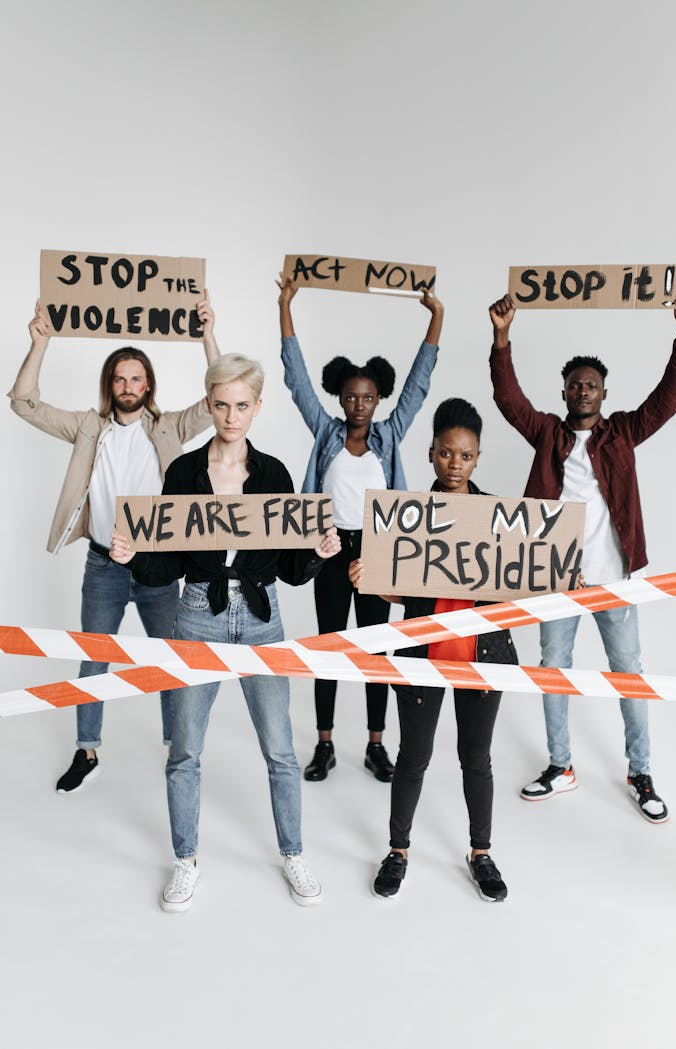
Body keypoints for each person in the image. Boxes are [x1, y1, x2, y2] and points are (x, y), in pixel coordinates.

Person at [110, 353, 341, 911]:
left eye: (242, 405)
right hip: (197, 613)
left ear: (257, 408)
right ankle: (185, 860)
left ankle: (293, 853)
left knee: (281, 749)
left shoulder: (276, 476)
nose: (231, 415)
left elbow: (289, 567)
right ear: (208, 403)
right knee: (185, 748)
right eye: (221, 404)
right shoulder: (184, 473)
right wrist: (131, 556)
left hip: (263, 617)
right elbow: (165, 563)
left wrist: (317, 554)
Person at [489, 289, 676, 822]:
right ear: (564, 390)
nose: (583, 390)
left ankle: (640, 771)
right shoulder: (546, 434)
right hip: (556, 580)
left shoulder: (622, 433)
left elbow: (666, 402)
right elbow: (509, 399)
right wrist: (501, 338)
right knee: (553, 669)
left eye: (592, 384)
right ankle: (561, 766)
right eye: (576, 383)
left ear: (603, 393)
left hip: (615, 580)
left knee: (628, 670)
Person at [8, 296, 220, 793]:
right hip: (103, 564)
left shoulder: (168, 426)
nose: (127, 387)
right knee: (93, 657)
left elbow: (218, 399)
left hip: (158, 567)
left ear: (148, 385)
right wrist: (40, 342)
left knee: (171, 656)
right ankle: (87, 750)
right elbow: (23, 403)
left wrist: (207, 335)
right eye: (119, 379)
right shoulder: (88, 426)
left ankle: (178, 749)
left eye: (136, 379)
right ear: (111, 385)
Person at [277, 273, 443, 783]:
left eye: (367, 398)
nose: (358, 406)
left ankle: (375, 744)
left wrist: (436, 316)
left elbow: (419, 385)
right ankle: (324, 744)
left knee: (377, 648)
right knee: (329, 644)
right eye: (350, 397)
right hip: (329, 550)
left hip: (374, 553)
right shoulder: (325, 432)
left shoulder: (390, 437)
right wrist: (285, 307)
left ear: (377, 399)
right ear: (340, 397)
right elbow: (296, 379)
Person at [349, 398, 518, 901]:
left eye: (465, 456)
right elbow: (406, 587)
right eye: (446, 454)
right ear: (431, 454)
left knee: (477, 758)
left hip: (482, 654)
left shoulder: (498, 517)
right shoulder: (408, 517)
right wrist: (374, 581)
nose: (455, 464)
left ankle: (481, 853)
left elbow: (515, 583)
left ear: (478, 459)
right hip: (424, 652)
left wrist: (554, 576)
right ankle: (398, 850)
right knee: (413, 757)